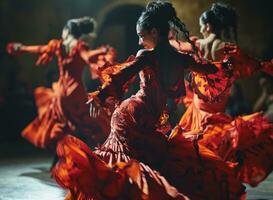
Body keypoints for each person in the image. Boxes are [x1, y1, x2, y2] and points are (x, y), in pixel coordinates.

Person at [52, 2, 246, 199]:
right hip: (131, 118)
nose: (139, 42)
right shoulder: (181, 58)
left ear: (154, 32)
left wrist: (100, 97)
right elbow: (212, 70)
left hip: (141, 117)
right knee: (135, 167)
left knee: (142, 167)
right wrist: (229, 65)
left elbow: (122, 75)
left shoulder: (149, 55)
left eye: (141, 36)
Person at [169, 3, 273, 187]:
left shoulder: (197, 45)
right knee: (214, 161)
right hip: (214, 117)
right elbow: (255, 65)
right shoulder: (229, 50)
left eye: (202, 26)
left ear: (208, 26)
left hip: (195, 114)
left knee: (190, 160)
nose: (201, 29)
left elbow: (174, 46)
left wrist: (166, 35)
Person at [6, 17, 113, 152]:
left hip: (61, 94)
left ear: (67, 31)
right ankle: (88, 157)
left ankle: (65, 158)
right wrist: (102, 51)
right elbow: (88, 57)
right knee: (91, 126)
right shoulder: (80, 46)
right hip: (76, 93)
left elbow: (40, 49)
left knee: (64, 127)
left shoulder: (58, 45)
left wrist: (22, 48)